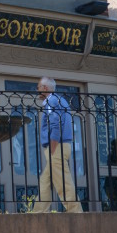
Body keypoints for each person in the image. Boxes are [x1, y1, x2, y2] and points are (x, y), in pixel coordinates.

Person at [33, 76, 82, 213]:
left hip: (57, 146)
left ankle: (75, 210)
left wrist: (53, 147)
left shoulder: (52, 100)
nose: (37, 90)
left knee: (62, 181)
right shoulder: (61, 100)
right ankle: (39, 211)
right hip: (61, 146)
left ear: (45, 88)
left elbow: (55, 124)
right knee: (45, 180)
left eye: (38, 87)